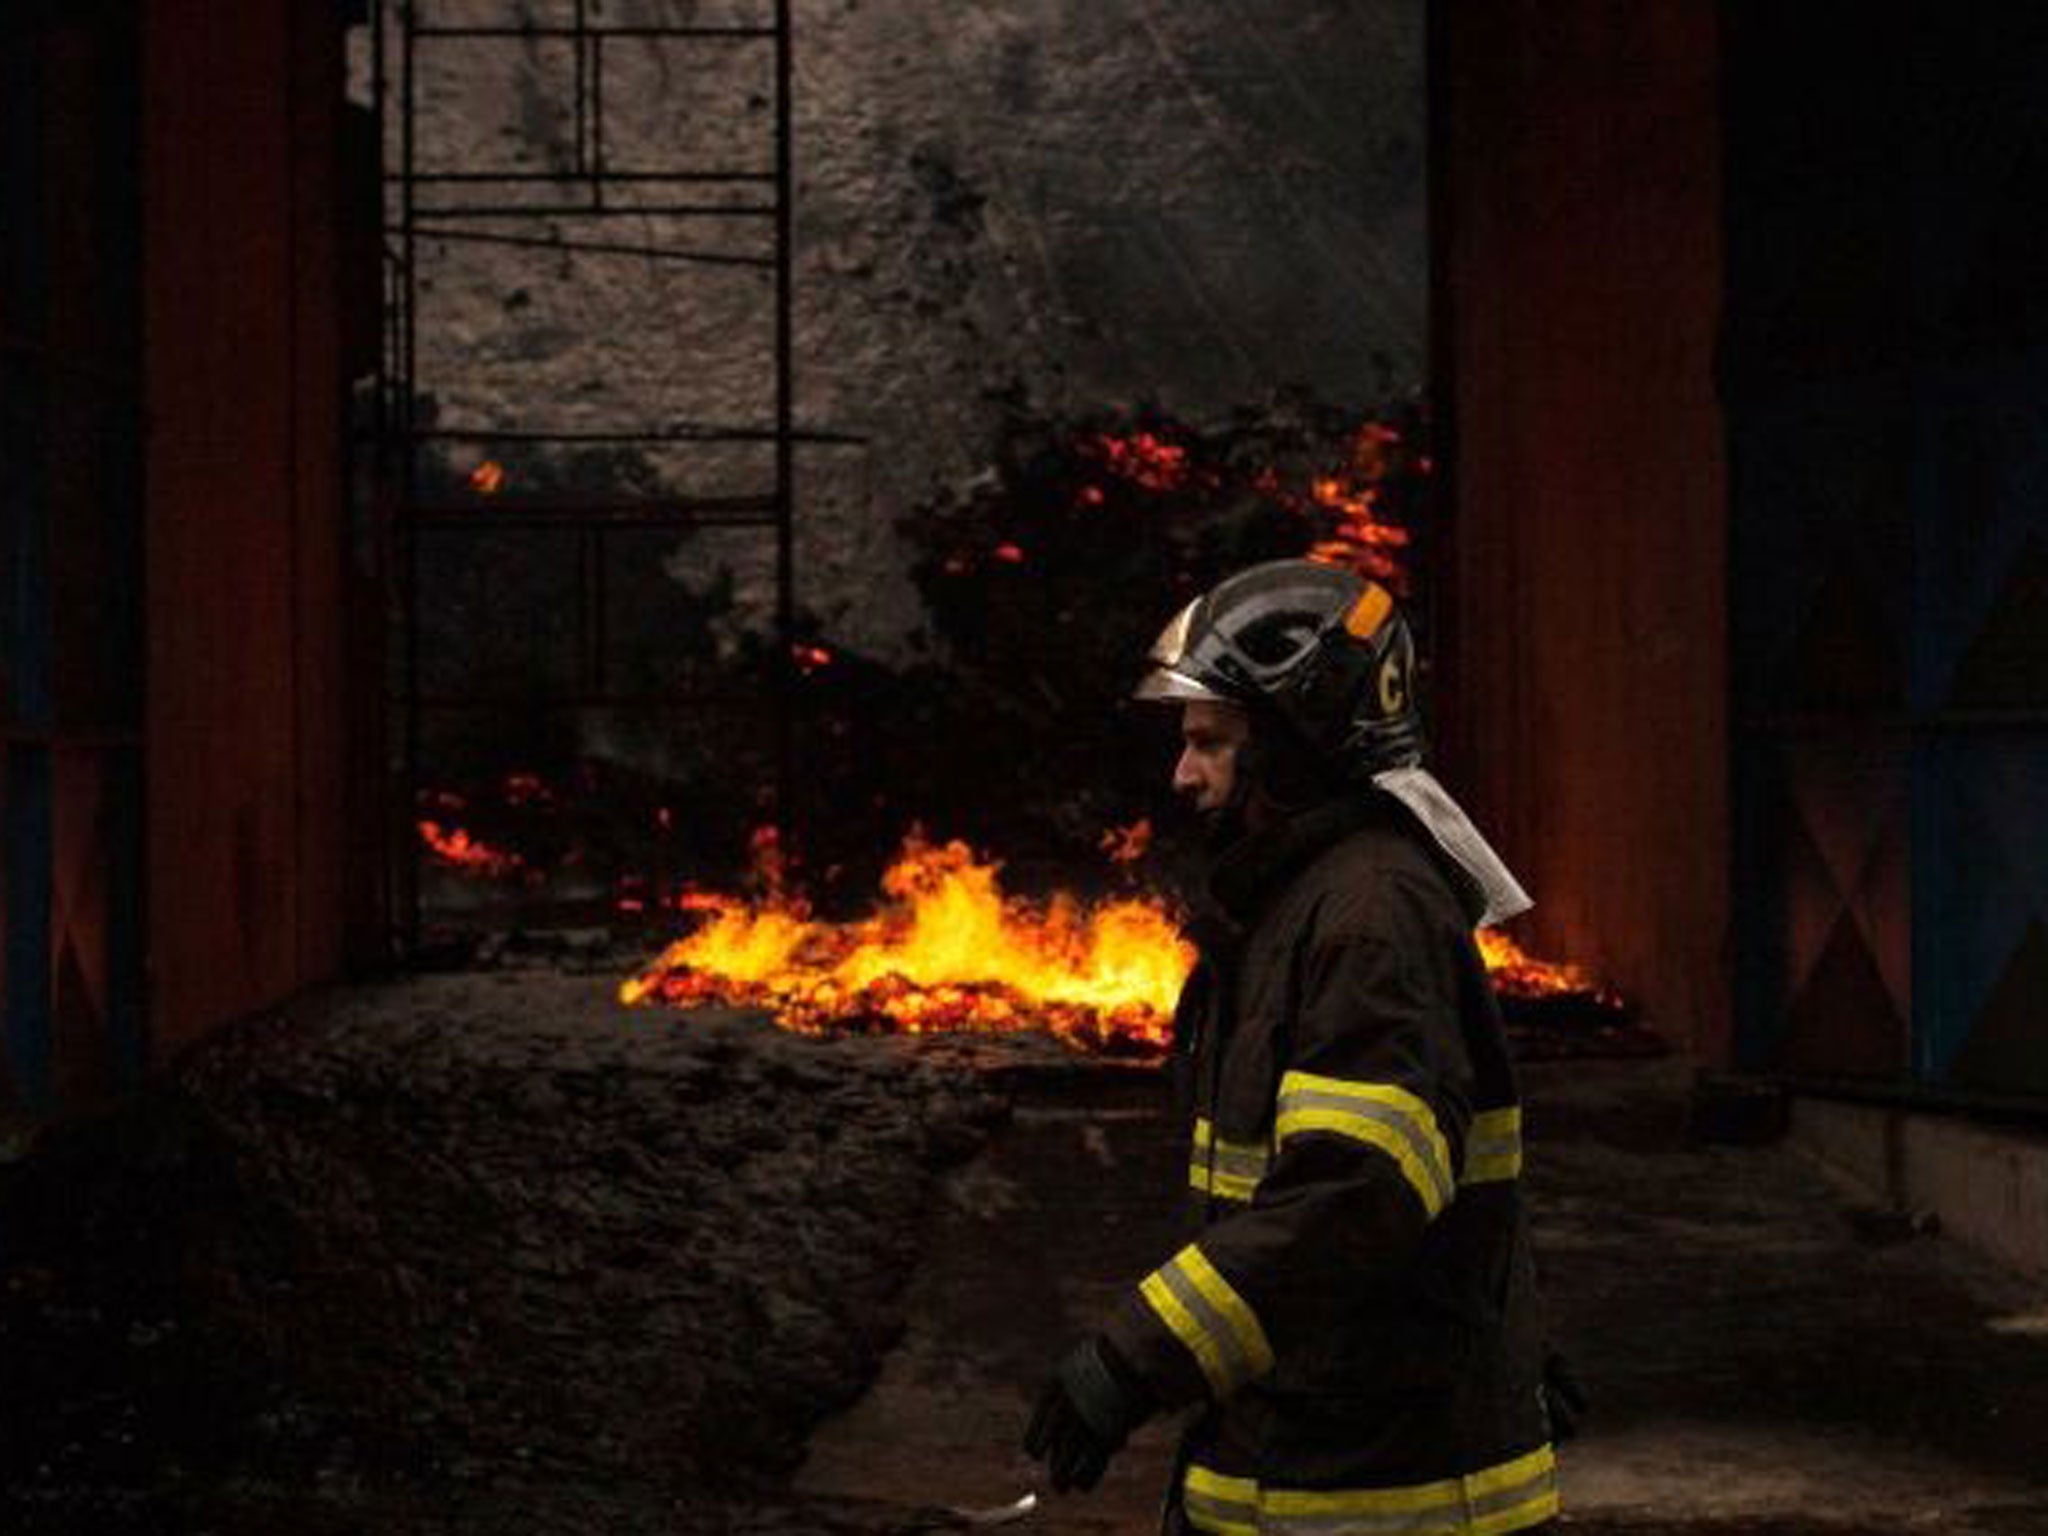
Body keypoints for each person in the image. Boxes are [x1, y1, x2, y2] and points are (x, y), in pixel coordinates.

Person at [1023, 559, 1578, 1535]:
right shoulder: (1309, 900)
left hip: (1369, 1491)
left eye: (1209, 742)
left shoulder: (1365, 917)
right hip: (1317, 1450)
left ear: (1295, 746)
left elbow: (1351, 1192)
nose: (1181, 773)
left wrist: (1136, 1354)